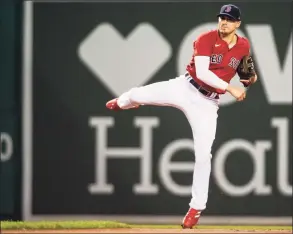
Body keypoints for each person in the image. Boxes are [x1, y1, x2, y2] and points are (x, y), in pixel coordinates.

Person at [105, 4, 257, 229]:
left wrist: (249, 79)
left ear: (237, 24)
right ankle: (121, 103)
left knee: (204, 155)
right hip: (185, 87)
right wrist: (231, 88)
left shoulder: (243, 46)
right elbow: (204, 73)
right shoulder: (205, 38)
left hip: (207, 103)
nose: (223, 22)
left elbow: (246, 75)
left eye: (229, 19)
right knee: (138, 93)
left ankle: (196, 208)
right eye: (221, 18)